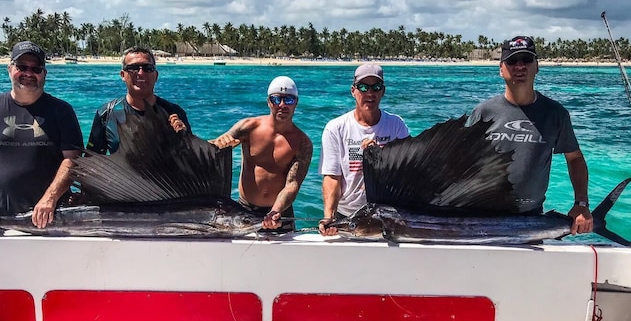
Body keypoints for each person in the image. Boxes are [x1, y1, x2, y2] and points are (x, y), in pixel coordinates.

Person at [468, 36, 593, 234]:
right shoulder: (483, 112)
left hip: (532, 220)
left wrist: (581, 204)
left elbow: (575, 158)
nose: (520, 66)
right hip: (482, 219)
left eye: (526, 60)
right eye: (512, 61)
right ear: (501, 69)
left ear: (537, 67)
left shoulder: (555, 113)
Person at [0, 41, 83, 228]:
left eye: (36, 68)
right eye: (22, 67)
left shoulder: (62, 111)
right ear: (10, 69)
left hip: (52, 220)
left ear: (44, 73)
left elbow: (73, 159)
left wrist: (50, 199)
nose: (29, 73)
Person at [210, 76, 313, 232]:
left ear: (296, 103)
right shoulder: (249, 127)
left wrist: (276, 210)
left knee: (283, 257)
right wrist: (221, 142)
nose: (282, 105)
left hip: (280, 214)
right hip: (244, 211)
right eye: (276, 99)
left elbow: (292, 184)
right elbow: (212, 149)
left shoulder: (302, 143)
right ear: (268, 102)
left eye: (289, 100)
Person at [318, 64, 410, 235]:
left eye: (376, 87)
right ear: (353, 90)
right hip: (348, 216)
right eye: (363, 87)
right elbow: (332, 177)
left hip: (389, 216)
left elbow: (406, 174)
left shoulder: (396, 125)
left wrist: (381, 157)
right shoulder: (335, 128)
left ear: (383, 91)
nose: (370, 93)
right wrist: (329, 216)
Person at [87, 46, 191, 154]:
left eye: (147, 68)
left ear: (155, 76)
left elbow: (192, 161)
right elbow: (91, 161)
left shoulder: (174, 113)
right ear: (123, 75)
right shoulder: (106, 114)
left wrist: (184, 138)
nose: (141, 73)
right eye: (133, 68)